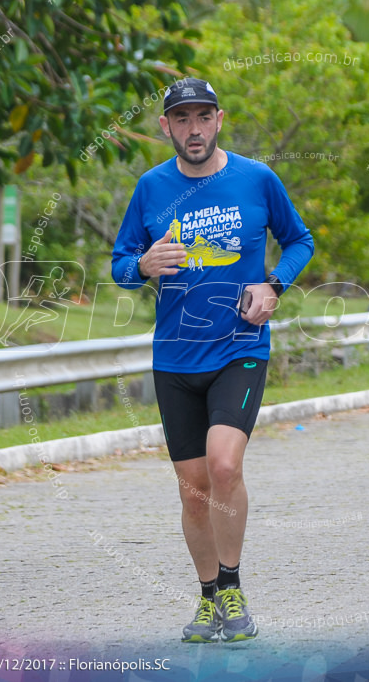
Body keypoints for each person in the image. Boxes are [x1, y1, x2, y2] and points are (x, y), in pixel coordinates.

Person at [111, 77, 314, 643]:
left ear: (219, 120)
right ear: (166, 127)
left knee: (225, 465)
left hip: (240, 347)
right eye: (182, 119)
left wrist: (274, 285)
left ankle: (231, 585)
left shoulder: (256, 179)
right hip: (174, 356)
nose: (193, 129)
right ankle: (207, 600)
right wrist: (143, 265)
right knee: (193, 488)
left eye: (203, 117)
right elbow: (120, 264)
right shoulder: (151, 189)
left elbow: (300, 240)